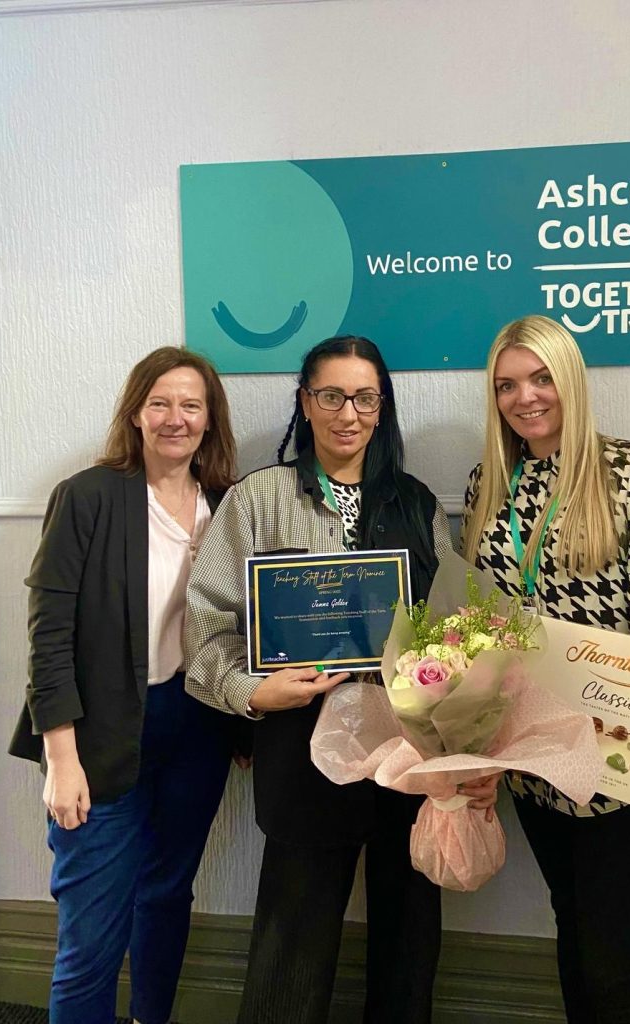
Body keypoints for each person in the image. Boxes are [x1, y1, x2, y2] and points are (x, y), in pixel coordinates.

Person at [186, 335, 493, 1024]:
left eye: (363, 397)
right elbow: (206, 625)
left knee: (409, 930)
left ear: (381, 409)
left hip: (407, 748)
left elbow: (452, 627)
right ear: (305, 402)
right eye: (330, 395)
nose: (346, 413)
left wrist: (461, 727)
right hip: (300, 743)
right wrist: (250, 693)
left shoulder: (413, 504)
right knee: (294, 937)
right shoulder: (259, 498)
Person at [460, 315, 630, 1024]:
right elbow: (484, 626)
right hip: (534, 758)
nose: (526, 397)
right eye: (508, 384)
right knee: (573, 939)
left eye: (542, 378)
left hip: (620, 760)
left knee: (611, 970)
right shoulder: (489, 483)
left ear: (569, 379)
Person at [9, 346, 249, 1024]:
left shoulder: (226, 504)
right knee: (93, 931)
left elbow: (241, 622)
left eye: (191, 405)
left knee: (168, 893)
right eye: (161, 403)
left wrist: (242, 722)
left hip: (196, 723)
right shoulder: (89, 497)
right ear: (136, 413)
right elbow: (47, 634)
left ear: (210, 419)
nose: (176, 418)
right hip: (100, 730)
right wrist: (60, 758)